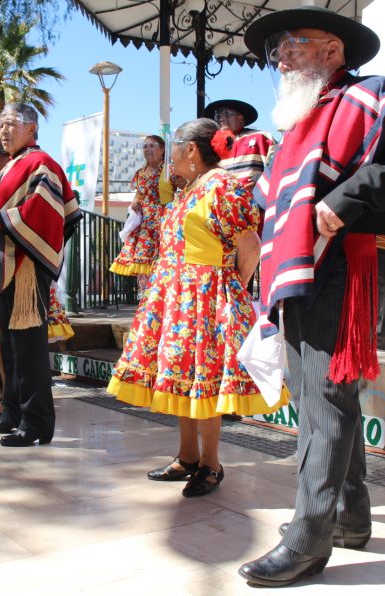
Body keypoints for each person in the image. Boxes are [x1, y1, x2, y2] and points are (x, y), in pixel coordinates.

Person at [237, 7, 385, 587]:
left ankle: (307, 539)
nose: (280, 58)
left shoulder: (372, 94)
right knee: (320, 393)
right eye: (276, 50)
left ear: (332, 50)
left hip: (352, 256)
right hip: (302, 262)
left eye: (291, 45)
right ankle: (349, 516)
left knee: (328, 394)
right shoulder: (301, 119)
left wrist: (343, 203)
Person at [107, 118, 286, 497]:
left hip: (205, 298)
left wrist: (228, 284)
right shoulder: (189, 189)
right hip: (175, 297)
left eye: (173, 145)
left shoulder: (222, 186)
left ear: (191, 149)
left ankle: (211, 464)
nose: (168, 154)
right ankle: (187, 456)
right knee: (181, 376)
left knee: (205, 380)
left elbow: (250, 245)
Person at [0, 102, 81, 446]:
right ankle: (13, 414)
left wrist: (1, 219)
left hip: (27, 268)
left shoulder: (41, 163)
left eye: (10, 124)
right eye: (1, 125)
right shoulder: (12, 167)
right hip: (10, 266)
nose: (4, 132)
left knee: (29, 349)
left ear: (31, 128)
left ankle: (35, 425)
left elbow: (46, 211)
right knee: (11, 345)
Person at [109, 135, 169, 291]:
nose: (147, 149)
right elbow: (139, 194)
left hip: (163, 221)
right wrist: (135, 200)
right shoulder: (139, 173)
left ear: (163, 150)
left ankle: (159, 297)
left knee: (161, 261)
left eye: (152, 146)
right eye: (145, 146)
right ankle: (145, 299)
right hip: (144, 225)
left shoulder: (169, 170)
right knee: (142, 265)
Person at [203, 99, 275, 194]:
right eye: (218, 116)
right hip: (223, 203)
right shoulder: (212, 145)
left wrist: (261, 180)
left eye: (227, 114)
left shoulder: (260, 136)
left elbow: (278, 160)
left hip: (254, 201)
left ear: (240, 118)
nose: (221, 119)